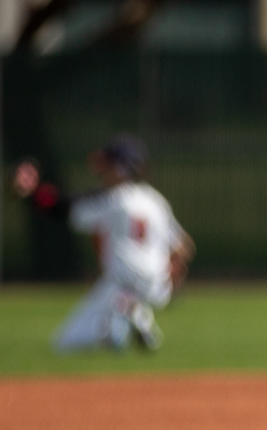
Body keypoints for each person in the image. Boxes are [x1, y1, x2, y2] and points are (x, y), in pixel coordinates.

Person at [12, 134, 193, 353]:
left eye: (108, 165)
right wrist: (173, 276)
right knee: (116, 310)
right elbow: (184, 247)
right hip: (157, 288)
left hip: (122, 283)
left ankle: (121, 323)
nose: (102, 171)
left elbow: (64, 208)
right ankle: (132, 318)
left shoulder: (113, 200)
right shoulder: (155, 200)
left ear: (120, 169)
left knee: (65, 343)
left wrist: (33, 191)